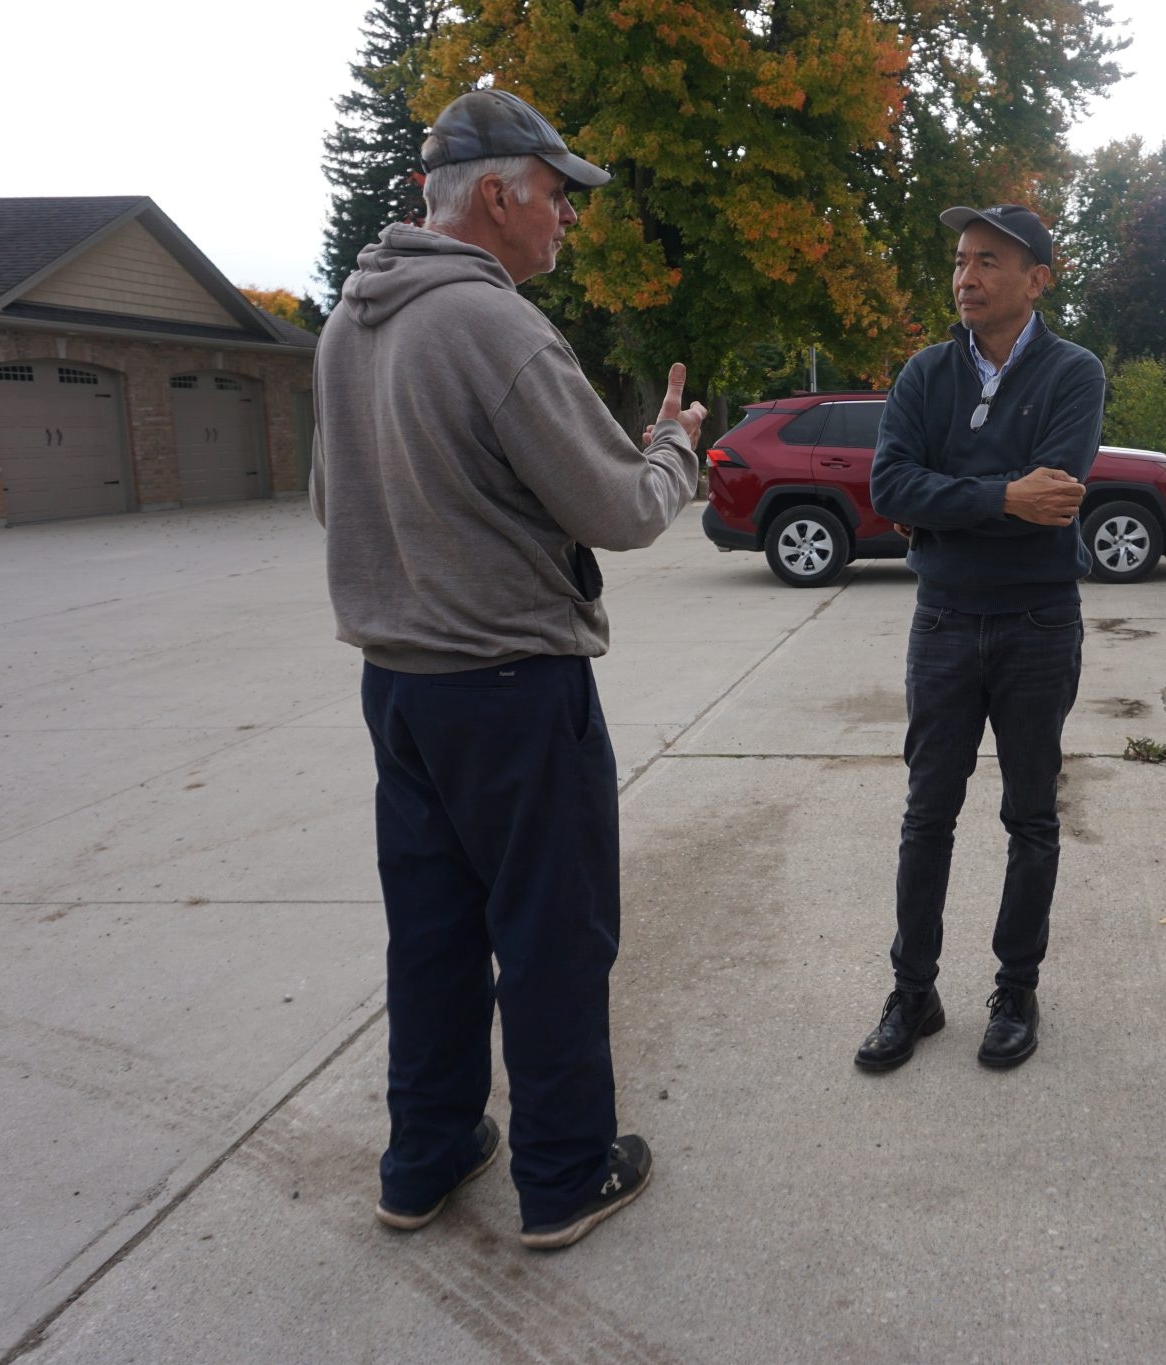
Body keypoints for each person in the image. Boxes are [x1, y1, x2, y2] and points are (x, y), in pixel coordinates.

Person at [310, 88, 707, 1250]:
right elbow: (623, 512)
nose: (568, 217)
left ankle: (424, 1158)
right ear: (495, 192)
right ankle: (565, 1175)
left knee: (433, 934)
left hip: (399, 688)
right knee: (551, 934)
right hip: (512, 692)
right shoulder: (495, 327)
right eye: (556, 195)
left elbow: (333, 503)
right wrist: (673, 447)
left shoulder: (347, 326)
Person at [854, 204, 1106, 1073]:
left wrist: (949, 498)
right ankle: (912, 991)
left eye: (988, 261)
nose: (966, 276)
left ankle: (1016, 988)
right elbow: (891, 486)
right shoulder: (925, 373)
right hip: (945, 620)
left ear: (1038, 278)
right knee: (928, 813)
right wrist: (1002, 496)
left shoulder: (1073, 372)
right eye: (961, 260)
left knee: (1030, 814)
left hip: (1039, 621)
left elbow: (1057, 495)